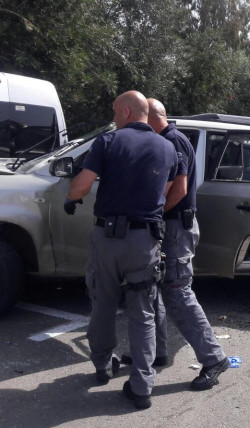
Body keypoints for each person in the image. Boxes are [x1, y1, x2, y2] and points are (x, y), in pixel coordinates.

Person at [64, 90, 179, 409]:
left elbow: (82, 184)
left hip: (109, 239)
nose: (114, 117)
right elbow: (165, 191)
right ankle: (142, 385)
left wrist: (71, 198)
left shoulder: (107, 142)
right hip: (145, 242)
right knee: (142, 309)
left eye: (116, 111)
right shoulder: (169, 149)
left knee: (102, 302)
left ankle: (102, 366)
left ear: (128, 113)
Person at [120, 98, 229, 392]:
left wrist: (155, 216)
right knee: (154, 287)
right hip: (169, 226)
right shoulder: (168, 139)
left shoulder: (173, 141)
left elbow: (179, 189)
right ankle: (156, 351)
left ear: (153, 118)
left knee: (177, 289)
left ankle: (214, 358)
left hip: (175, 227)